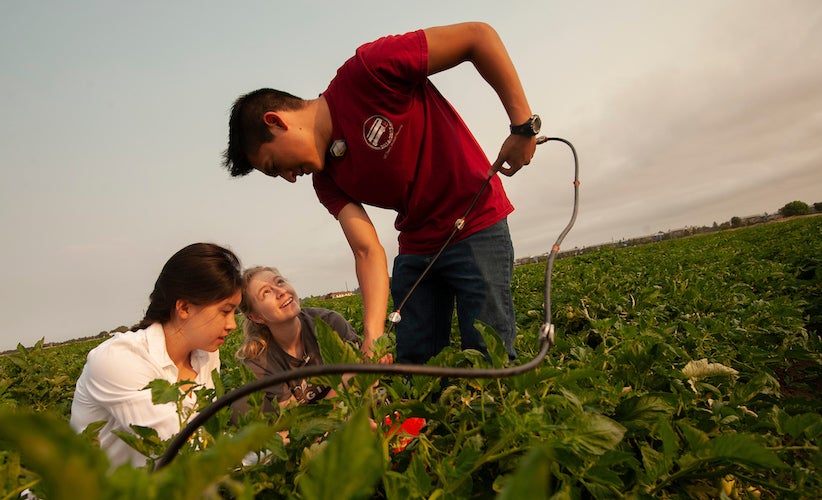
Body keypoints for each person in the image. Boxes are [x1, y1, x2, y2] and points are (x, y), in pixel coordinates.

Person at [222, 22, 539, 365]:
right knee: (415, 366)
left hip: (476, 225)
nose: (289, 177)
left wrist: (523, 127)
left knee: (487, 357)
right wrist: (372, 338)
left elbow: (478, 37)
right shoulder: (326, 180)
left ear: (276, 121)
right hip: (417, 246)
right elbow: (366, 249)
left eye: (274, 165)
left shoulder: (368, 72)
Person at [69, 242, 244, 469]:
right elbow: (178, 446)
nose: (232, 325)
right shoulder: (119, 360)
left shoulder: (205, 355)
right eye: (225, 311)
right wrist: (260, 447)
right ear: (184, 308)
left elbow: (202, 433)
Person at [234, 266, 362, 413]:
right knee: (240, 407)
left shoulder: (329, 322)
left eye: (280, 282)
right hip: (318, 432)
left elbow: (362, 376)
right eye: (266, 292)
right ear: (256, 317)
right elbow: (294, 419)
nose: (281, 292)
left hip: (357, 411)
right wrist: (343, 385)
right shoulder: (259, 360)